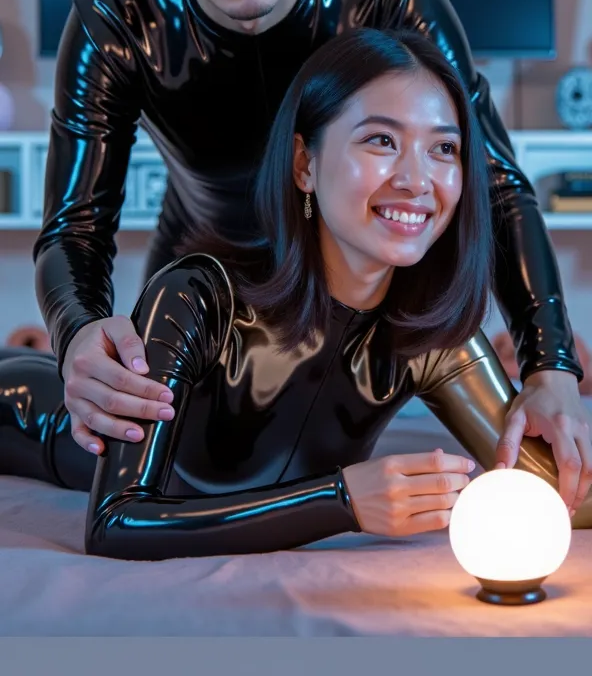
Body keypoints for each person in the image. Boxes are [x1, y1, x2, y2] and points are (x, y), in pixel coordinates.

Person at [33, 0, 591, 506]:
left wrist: (550, 367)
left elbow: (493, 180)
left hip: (374, 301)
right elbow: (75, 227)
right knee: (193, 479)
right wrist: (77, 336)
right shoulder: (113, 21)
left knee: (564, 491)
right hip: (210, 300)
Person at [6, 30, 591, 561]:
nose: (418, 180)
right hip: (22, 409)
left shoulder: (434, 335)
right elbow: (116, 522)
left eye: (444, 149)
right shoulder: (197, 296)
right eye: (382, 140)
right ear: (305, 164)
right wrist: (341, 501)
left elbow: (560, 490)